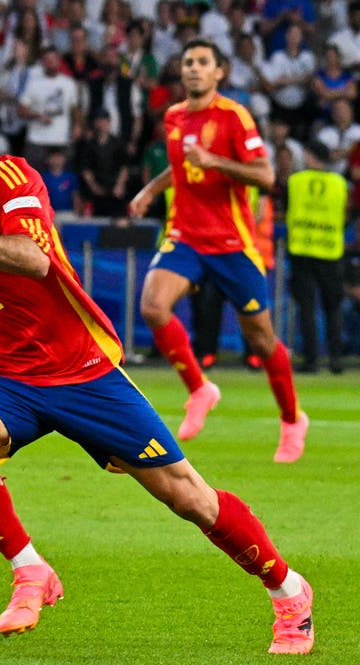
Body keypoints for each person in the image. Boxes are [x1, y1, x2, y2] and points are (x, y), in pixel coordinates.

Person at [0, 86, 314, 656]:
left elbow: (35, 258)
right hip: (7, 377)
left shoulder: (11, 180)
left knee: (190, 499)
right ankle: (31, 570)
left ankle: (288, 591)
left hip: (84, 372)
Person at [127, 39, 307, 464]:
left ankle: (291, 419)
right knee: (153, 306)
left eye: (202, 63)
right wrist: (150, 190)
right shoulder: (173, 116)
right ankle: (200, 389)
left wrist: (215, 162)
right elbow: (181, 165)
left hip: (230, 243)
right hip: (185, 235)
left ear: (219, 72)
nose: (193, 69)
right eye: (188, 62)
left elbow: (264, 175)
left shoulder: (233, 116)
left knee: (261, 341)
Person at [286, 139, 348, 374]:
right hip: (330, 251)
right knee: (332, 309)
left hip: (302, 251)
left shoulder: (296, 181)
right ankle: (335, 360)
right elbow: (344, 214)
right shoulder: (339, 183)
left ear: (311, 156)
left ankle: (311, 360)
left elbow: (288, 208)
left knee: (307, 309)